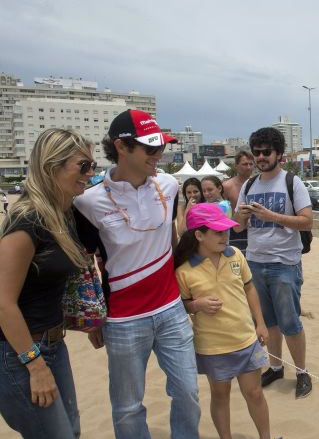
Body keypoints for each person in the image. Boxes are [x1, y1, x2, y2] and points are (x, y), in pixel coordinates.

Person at [73, 109, 200, 438]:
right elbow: (85, 264)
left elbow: (170, 239)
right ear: (121, 147)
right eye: (151, 149)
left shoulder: (170, 186)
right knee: (128, 406)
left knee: (188, 391)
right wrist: (92, 319)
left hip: (171, 309)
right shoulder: (87, 202)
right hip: (124, 320)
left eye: (162, 148)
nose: (160, 156)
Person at [0, 128, 96, 438]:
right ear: (51, 166)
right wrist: (34, 365)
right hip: (20, 352)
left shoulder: (62, 212)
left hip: (53, 344)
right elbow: (3, 302)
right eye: (83, 165)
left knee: (71, 431)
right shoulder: (29, 220)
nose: (91, 172)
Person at [175, 203, 271, 439]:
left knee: (255, 393)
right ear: (199, 235)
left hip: (246, 340)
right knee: (220, 395)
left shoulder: (236, 255)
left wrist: (260, 323)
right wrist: (197, 305)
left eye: (226, 230)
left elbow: (250, 289)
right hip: (212, 346)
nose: (225, 236)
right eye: (218, 232)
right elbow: (181, 305)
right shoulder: (184, 270)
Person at [233, 127, 314, 399]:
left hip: (285, 264)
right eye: (257, 152)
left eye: (266, 152)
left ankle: (302, 372)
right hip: (255, 262)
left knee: (290, 322)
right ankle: (276, 367)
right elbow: (239, 227)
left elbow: (306, 220)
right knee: (268, 324)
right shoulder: (249, 185)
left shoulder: (292, 182)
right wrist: (242, 216)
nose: (260, 157)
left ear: (279, 154)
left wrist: (273, 216)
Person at [222, 151, 255, 254]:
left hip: (254, 231)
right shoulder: (227, 186)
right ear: (236, 166)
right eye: (245, 164)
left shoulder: (258, 184)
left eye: (251, 164)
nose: (249, 167)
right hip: (235, 232)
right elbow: (222, 213)